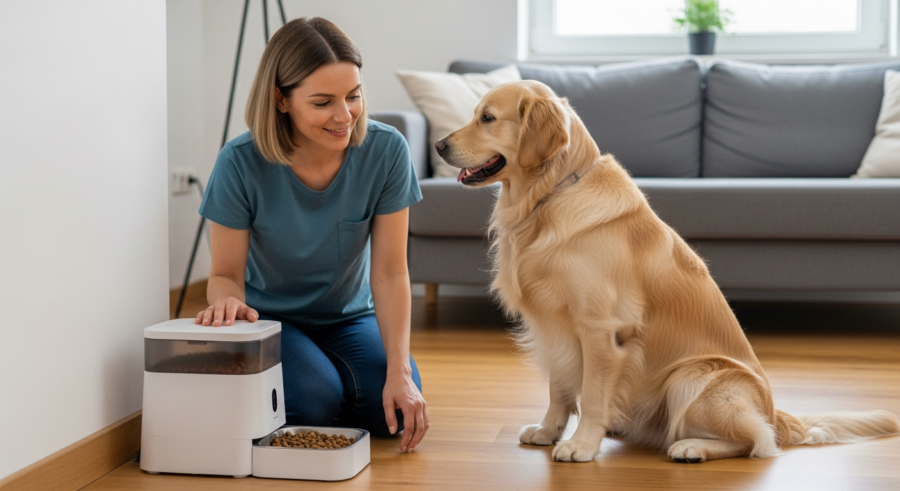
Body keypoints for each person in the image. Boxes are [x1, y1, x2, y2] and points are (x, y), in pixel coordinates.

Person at [194, 17, 427, 453]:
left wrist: (399, 372)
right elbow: (224, 275)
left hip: (351, 316)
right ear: (281, 100)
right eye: (323, 102)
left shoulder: (387, 150)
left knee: (389, 413)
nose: (345, 115)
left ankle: (328, 386)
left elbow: (391, 273)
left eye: (353, 95)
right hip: (271, 319)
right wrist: (228, 302)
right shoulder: (239, 161)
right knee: (314, 403)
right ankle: (318, 387)